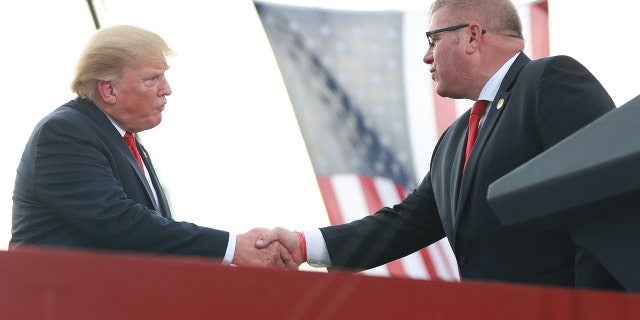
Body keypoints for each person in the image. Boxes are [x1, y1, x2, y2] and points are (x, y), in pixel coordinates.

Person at [256, 0, 623, 290]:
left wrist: (595, 309)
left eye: (433, 40)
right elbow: (400, 227)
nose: (426, 57)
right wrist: (303, 245)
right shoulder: (453, 141)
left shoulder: (549, 80)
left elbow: (601, 196)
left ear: (472, 36)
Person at [10, 25, 296, 270]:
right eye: (152, 78)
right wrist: (233, 247)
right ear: (108, 89)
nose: (167, 89)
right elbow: (120, 223)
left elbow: (155, 235)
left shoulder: (126, 141)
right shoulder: (64, 133)